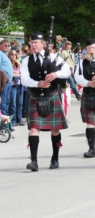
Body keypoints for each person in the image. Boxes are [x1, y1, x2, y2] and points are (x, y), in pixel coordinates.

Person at [20, 32, 71, 171]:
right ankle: (34, 161)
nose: (33, 45)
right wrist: (38, 84)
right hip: (36, 97)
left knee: (54, 129)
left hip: (51, 96)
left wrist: (55, 74)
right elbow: (24, 79)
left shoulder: (54, 57)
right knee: (34, 129)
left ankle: (55, 158)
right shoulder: (26, 60)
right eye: (31, 43)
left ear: (43, 44)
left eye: (36, 42)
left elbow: (67, 71)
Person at [0, 38, 13, 132]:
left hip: (8, 82)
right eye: (5, 45)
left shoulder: (4, 54)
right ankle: (4, 126)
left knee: (7, 103)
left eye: (8, 45)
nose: (7, 47)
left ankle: (7, 123)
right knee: (4, 103)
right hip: (4, 82)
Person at [8, 49, 23, 126]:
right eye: (12, 54)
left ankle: (19, 119)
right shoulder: (9, 64)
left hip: (20, 85)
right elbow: (10, 74)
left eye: (14, 54)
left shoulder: (18, 63)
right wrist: (17, 75)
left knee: (20, 103)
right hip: (13, 85)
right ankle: (13, 120)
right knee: (13, 103)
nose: (13, 56)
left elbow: (23, 72)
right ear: (9, 56)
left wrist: (17, 62)